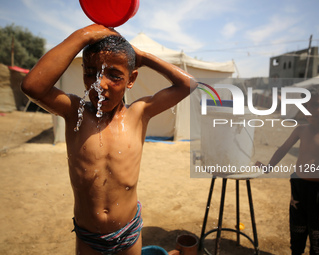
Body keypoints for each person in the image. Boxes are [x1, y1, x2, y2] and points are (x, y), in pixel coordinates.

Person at [21, 24, 196, 255]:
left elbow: (189, 84)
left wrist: (142, 57)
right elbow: (32, 86)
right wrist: (85, 35)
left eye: (114, 75)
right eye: (90, 72)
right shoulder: (75, 112)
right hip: (88, 237)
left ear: (131, 79)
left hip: (129, 232)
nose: (100, 84)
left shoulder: (139, 113)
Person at [258, 84, 319, 255]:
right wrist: (268, 167)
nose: (309, 110)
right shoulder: (301, 130)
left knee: (317, 236)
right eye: (306, 106)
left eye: (315, 105)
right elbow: (283, 149)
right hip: (298, 188)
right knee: (297, 230)